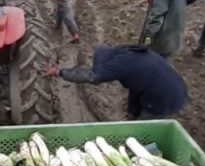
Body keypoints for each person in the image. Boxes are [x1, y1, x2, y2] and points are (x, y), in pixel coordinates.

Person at [44, 44, 188, 120]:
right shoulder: (126, 52)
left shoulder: (119, 65)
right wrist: (132, 113)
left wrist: (59, 72)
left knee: (144, 129)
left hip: (164, 98)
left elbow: (91, 76)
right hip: (174, 85)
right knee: (137, 118)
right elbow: (135, 88)